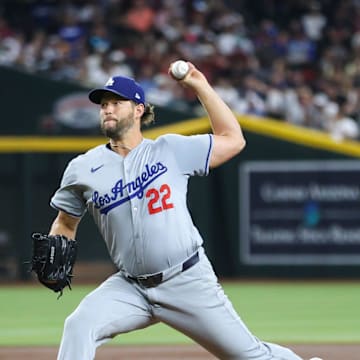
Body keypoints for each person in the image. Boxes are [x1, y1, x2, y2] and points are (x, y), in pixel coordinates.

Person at [49, 61, 304, 359]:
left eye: (116, 102)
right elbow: (65, 222)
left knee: (249, 356)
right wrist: (58, 243)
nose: (107, 109)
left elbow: (233, 140)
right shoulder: (81, 169)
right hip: (130, 287)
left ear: (138, 110)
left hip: (186, 279)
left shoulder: (169, 150)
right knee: (79, 325)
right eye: (103, 104)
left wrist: (200, 85)